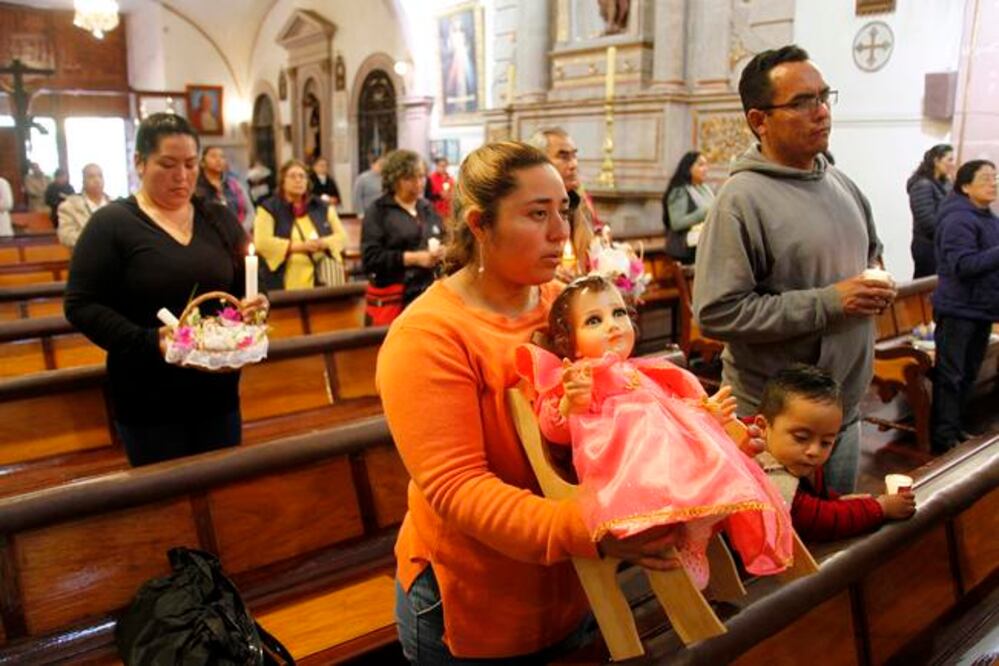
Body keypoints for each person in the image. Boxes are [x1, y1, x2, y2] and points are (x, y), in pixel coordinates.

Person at [378, 141, 681, 663]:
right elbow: (458, 488)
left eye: (563, 210)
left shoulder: (562, 304)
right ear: (480, 224)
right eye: (538, 214)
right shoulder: (427, 336)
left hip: (575, 582)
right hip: (477, 601)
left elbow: (612, 409)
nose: (561, 231)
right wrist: (593, 529)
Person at [692, 44, 895, 495]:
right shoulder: (740, 200)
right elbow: (717, 313)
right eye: (802, 102)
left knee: (837, 533)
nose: (821, 111)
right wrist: (831, 301)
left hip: (842, 412)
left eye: (823, 96)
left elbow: (871, 254)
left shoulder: (841, 183)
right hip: (776, 426)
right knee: (778, 538)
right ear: (759, 120)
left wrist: (876, 284)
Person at [516, 275, 793, 589]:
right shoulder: (578, 377)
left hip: (666, 454)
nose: (612, 325)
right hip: (628, 465)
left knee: (716, 461)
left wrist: (705, 414)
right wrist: (572, 402)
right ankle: (688, 537)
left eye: (618, 313)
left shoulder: (640, 371)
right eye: (594, 320)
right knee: (692, 462)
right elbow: (554, 430)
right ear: (571, 343)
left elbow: (671, 407)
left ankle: (696, 534)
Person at [64, 113, 268, 467]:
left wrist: (258, 304)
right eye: (168, 164)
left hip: (217, 393)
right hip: (148, 396)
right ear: (139, 162)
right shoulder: (112, 224)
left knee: (220, 486)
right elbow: (81, 304)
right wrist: (148, 341)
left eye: (190, 164)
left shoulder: (217, 218)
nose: (182, 176)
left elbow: (249, 282)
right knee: (164, 494)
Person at [755, 364, 916, 541]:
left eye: (826, 442)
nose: (815, 451)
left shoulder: (793, 456)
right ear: (762, 427)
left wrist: (844, 502)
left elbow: (816, 496)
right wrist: (880, 508)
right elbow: (817, 520)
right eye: (801, 438)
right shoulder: (760, 470)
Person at [930, 159, 999, 453]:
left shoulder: (988, 217)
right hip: (958, 310)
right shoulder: (958, 219)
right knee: (951, 376)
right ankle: (942, 439)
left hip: (981, 309)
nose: (993, 183)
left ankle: (955, 428)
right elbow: (963, 265)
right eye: (985, 178)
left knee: (968, 374)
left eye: (995, 177)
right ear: (966, 186)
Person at [360, 150, 443, 325]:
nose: (418, 183)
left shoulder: (427, 208)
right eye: (410, 178)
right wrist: (414, 258)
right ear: (394, 179)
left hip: (427, 294)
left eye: (421, 176)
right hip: (395, 296)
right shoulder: (379, 211)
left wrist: (444, 251)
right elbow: (370, 258)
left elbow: (444, 238)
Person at [253, 159, 347, 291]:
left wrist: (322, 243)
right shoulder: (268, 208)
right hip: (283, 279)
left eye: (302, 176)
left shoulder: (321, 206)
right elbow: (262, 242)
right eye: (292, 176)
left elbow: (342, 237)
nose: (298, 180)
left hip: (321, 278)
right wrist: (300, 246)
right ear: (283, 181)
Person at [527, 127, 604, 279]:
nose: (574, 164)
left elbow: (592, 245)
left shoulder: (580, 201)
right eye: (564, 157)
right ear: (538, 162)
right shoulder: (528, 205)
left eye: (574, 156)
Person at [908, 144, 955, 278]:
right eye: (949, 160)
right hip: (928, 247)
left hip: (942, 245)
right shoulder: (922, 185)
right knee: (926, 285)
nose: (952, 164)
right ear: (936, 161)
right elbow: (927, 222)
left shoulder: (946, 183)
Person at [662, 151, 714, 265]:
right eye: (701, 165)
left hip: (703, 245)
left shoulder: (704, 188)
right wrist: (704, 212)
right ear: (688, 167)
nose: (706, 169)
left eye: (706, 165)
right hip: (685, 248)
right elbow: (677, 223)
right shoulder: (679, 191)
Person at [195, 146, 253, 233]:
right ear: (202, 162)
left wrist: (241, 230)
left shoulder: (235, 185)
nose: (218, 160)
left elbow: (250, 211)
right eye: (213, 156)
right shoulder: (196, 188)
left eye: (222, 157)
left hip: (238, 233)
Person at [57, 163, 111, 249]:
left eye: (100, 176)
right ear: (83, 181)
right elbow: (66, 236)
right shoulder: (70, 206)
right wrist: (97, 239)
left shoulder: (115, 205)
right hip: (87, 254)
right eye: (91, 177)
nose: (97, 180)